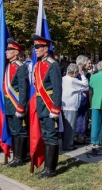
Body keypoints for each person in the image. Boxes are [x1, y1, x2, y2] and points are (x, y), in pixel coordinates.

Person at [32, 35, 62, 178]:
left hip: (49, 105)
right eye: (35, 47)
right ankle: (46, 167)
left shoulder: (53, 64)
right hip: (41, 105)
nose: (35, 49)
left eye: (38, 47)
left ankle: (51, 169)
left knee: (51, 136)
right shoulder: (38, 64)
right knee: (46, 136)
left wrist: (56, 108)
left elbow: (57, 88)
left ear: (45, 48)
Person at [3, 38, 30, 167]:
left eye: (9, 50)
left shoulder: (21, 67)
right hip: (9, 104)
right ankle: (16, 157)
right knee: (14, 131)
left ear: (16, 52)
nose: (6, 52)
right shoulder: (9, 66)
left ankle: (20, 157)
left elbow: (24, 88)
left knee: (20, 131)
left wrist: (21, 106)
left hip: (17, 104)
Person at [61, 63, 88, 151]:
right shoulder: (73, 80)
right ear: (74, 72)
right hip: (71, 106)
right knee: (70, 127)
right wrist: (82, 74)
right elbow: (85, 85)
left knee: (66, 127)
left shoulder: (63, 78)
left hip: (64, 105)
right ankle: (68, 145)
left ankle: (67, 143)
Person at [75, 55, 90, 144]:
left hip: (83, 97)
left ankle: (82, 135)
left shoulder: (83, 72)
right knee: (80, 117)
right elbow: (81, 85)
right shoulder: (77, 72)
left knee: (83, 116)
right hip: (80, 96)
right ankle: (78, 136)